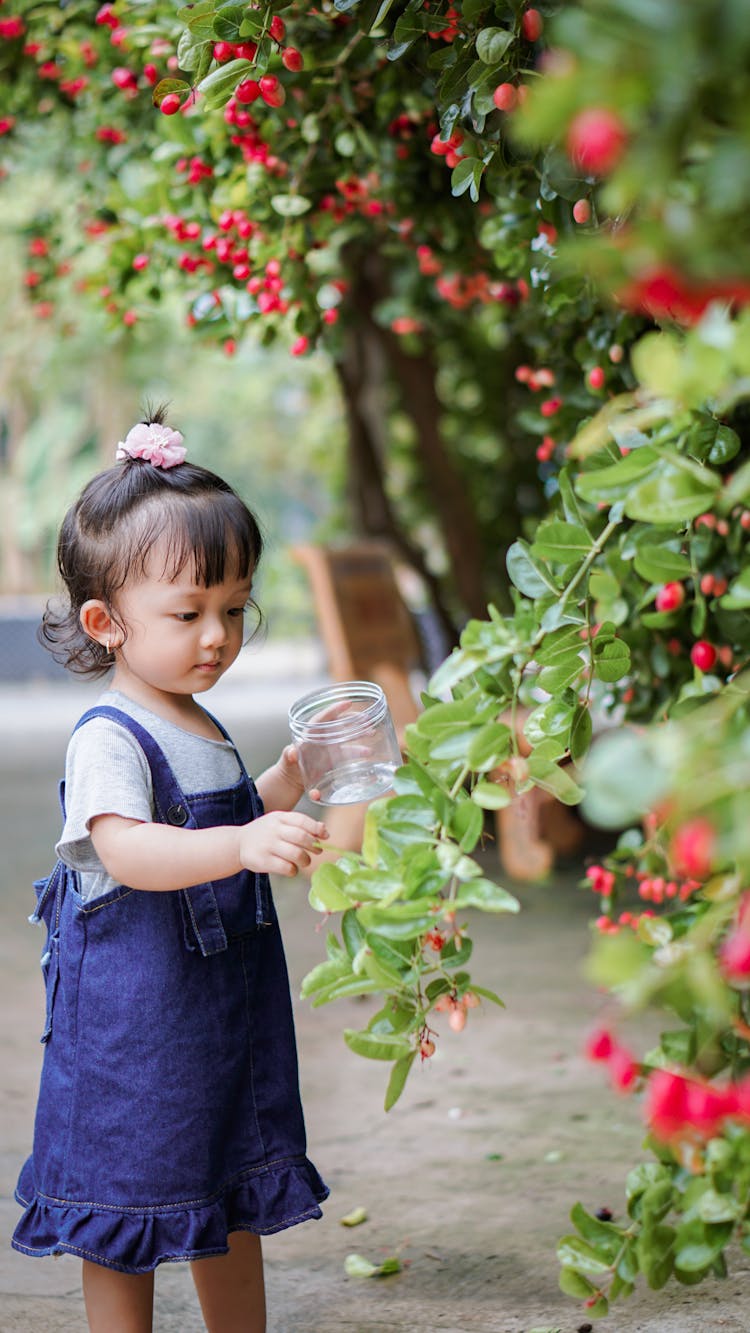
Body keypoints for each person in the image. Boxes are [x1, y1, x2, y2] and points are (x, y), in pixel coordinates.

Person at [12, 412, 330, 1333]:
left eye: (234, 608)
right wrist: (239, 848)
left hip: (220, 1025)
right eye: (188, 613)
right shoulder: (113, 734)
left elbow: (226, 811)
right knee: (126, 1203)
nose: (217, 636)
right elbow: (127, 848)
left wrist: (289, 779)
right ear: (106, 624)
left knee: (230, 1188)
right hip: (135, 1034)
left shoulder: (198, 720)